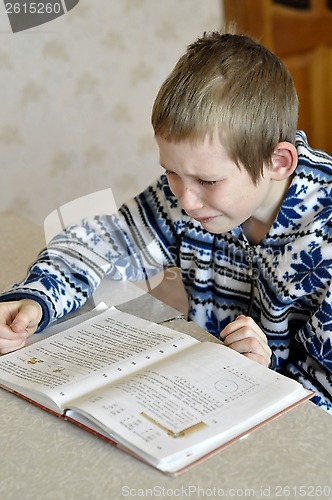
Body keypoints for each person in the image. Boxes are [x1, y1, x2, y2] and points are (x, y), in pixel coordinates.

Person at [0, 31, 331, 414]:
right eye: (172, 172)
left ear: (278, 162)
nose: (186, 201)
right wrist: (35, 299)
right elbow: (102, 240)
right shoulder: (192, 194)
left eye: (207, 181)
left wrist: (264, 376)